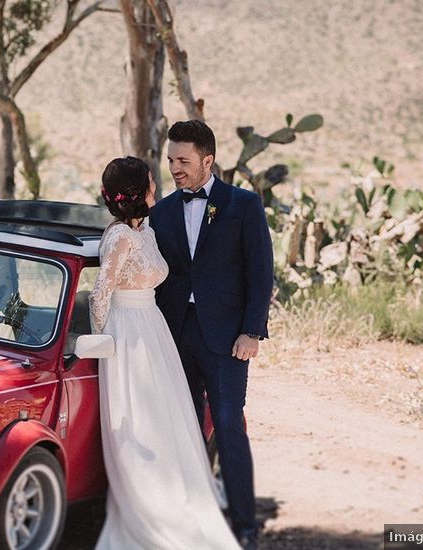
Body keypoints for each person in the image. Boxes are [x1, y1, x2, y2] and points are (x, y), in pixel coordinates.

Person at [90, 156, 240, 550]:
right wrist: (103, 341)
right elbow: (100, 292)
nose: (159, 186)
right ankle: (147, 509)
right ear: (139, 192)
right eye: (152, 182)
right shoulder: (119, 236)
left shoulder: (146, 231)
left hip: (152, 326)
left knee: (165, 415)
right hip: (126, 333)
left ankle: (177, 496)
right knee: (139, 420)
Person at [148, 120, 274, 550]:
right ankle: (194, 520)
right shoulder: (161, 212)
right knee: (183, 429)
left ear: (208, 160)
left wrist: (251, 332)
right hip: (175, 337)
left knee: (227, 426)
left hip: (226, 342)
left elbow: (261, 273)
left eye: (183, 161)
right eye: (170, 160)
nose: (175, 169)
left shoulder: (243, 205)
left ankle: (244, 526)